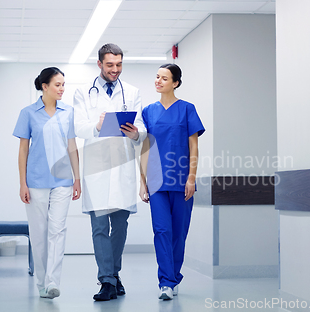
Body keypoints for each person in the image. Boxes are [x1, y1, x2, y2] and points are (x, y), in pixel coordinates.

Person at [73, 43, 146, 301]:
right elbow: (78, 127)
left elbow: (141, 128)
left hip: (123, 166)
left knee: (121, 226)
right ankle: (106, 280)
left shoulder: (133, 92)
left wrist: (137, 133)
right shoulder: (83, 92)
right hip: (97, 169)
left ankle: (113, 274)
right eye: (110, 65)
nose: (115, 70)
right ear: (100, 64)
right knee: (99, 227)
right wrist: (97, 125)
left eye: (119, 65)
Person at [13, 67, 81, 299]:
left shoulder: (68, 112)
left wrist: (77, 178)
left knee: (57, 230)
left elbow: (72, 147)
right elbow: (23, 151)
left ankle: (53, 282)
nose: (62, 89)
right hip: (36, 181)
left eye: (64, 84)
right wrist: (22, 183)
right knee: (39, 233)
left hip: (62, 181)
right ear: (44, 87)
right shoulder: (28, 113)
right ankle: (41, 283)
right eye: (58, 85)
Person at [139, 63, 205, 300]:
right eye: (157, 77)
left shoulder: (187, 109)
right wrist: (142, 180)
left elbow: (194, 145)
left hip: (181, 180)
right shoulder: (148, 111)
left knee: (179, 232)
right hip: (156, 181)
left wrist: (191, 177)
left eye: (164, 78)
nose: (158, 81)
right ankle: (165, 282)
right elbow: (145, 146)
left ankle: (174, 276)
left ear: (175, 83)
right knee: (161, 230)